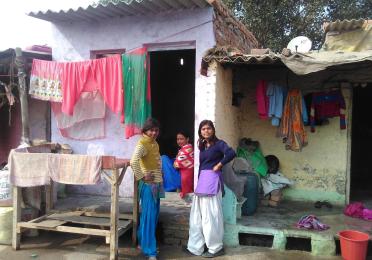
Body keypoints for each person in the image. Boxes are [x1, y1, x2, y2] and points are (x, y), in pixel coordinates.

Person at [186, 120, 236, 258]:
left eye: (208, 128)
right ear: (200, 131)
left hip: (213, 182)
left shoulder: (220, 144)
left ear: (213, 130)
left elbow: (231, 153)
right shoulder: (203, 146)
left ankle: (215, 248)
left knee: (211, 216)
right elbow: (203, 164)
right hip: (202, 182)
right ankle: (196, 247)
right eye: (203, 129)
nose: (206, 131)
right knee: (197, 217)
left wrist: (220, 164)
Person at [130, 118, 163, 260]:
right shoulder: (142, 143)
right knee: (149, 217)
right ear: (145, 131)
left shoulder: (154, 143)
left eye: (156, 130)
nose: (154, 133)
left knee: (152, 216)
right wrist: (142, 176)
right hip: (149, 186)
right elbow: (133, 161)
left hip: (157, 183)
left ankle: (143, 242)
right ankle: (150, 251)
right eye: (151, 130)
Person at [174, 131, 194, 199]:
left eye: (181, 139)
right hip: (185, 173)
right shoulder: (184, 148)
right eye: (178, 139)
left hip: (187, 173)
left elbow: (176, 164)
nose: (179, 141)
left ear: (187, 139)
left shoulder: (187, 149)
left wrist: (176, 160)